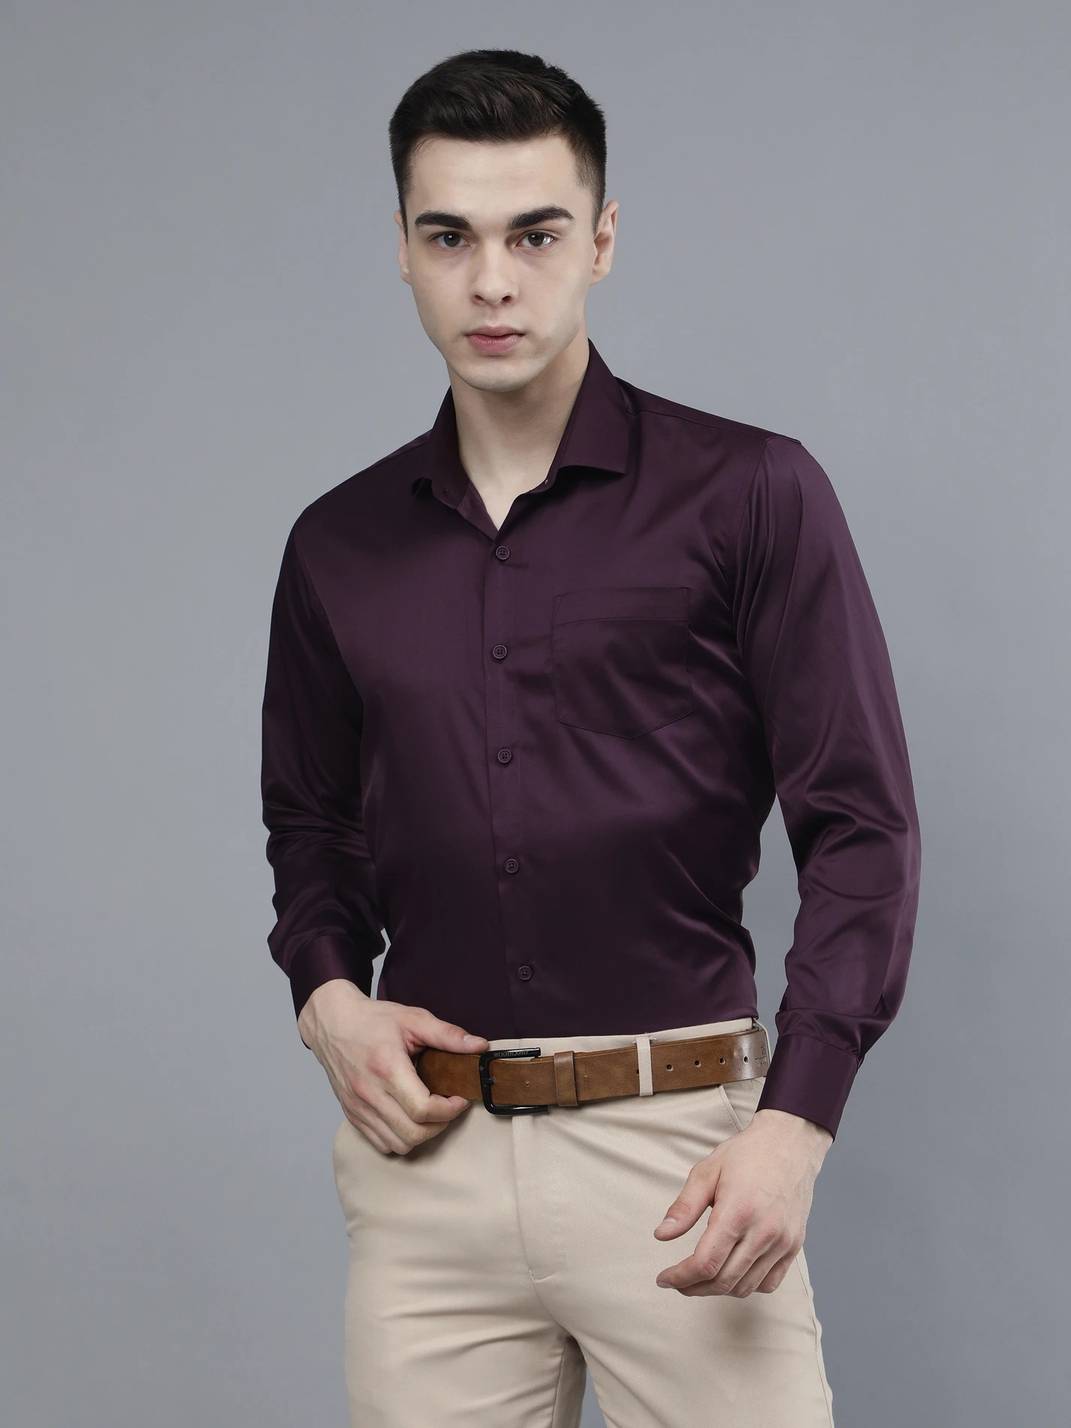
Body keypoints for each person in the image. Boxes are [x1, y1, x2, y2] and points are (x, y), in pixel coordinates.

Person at [259, 46, 921, 1428]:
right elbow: (311, 824)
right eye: (451, 237)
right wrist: (328, 1000)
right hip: (429, 1173)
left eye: (536, 234)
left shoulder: (752, 494)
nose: (492, 281)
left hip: (682, 1157)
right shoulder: (336, 545)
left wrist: (795, 1125)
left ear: (602, 242)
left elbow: (861, 827)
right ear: (402, 250)